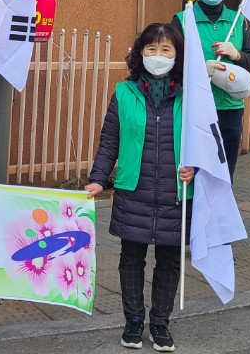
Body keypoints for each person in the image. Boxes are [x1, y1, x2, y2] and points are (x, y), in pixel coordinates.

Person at [86, 23, 193, 353]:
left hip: (177, 192)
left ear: (177, 56)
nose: (158, 56)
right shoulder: (124, 93)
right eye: (151, 49)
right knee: (131, 258)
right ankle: (133, 321)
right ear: (139, 53)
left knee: (169, 261)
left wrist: (197, 168)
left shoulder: (192, 96)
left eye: (166, 50)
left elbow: (207, 142)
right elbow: (109, 142)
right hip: (134, 188)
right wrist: (98, 178)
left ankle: (160, 322)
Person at [171, 0, 250, 176]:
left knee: (224, 171)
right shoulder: (183, 19)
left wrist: (236, 54)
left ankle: (220, 210)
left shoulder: (237, 20)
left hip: (230, 109)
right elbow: (171, 62)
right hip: (194, 106)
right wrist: (201, 70)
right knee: (195, 170)